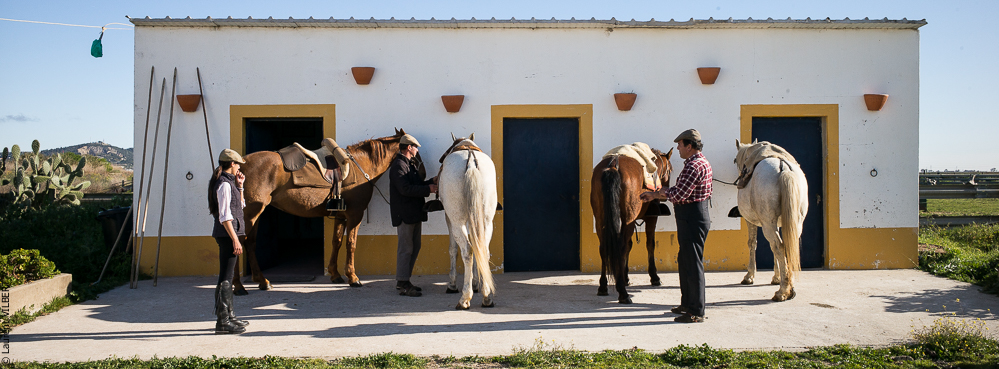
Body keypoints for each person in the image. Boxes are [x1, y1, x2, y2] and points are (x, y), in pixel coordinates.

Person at [640, 129, 713, 323]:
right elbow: (679, 191)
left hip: (692, 217)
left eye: (680, 145)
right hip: (692, 216)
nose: (678, 148)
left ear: (690, 146)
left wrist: (655, 194)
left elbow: (679, 195)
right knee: (685, 260)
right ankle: (687, 304)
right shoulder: (698, 163)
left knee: (693, 263)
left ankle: (696, 311)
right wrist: (661, 191)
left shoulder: (693, 166)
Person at [207, 148, 250, 334]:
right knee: (225, 277)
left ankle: (230, 316)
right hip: (227, 236)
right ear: (232, 164)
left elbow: (239, 206)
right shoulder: (223, 185)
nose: (240, 167)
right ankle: (223, 322)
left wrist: (240, 186)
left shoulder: (230, 183)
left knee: (228, 276)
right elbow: (225, 216)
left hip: (229, 235)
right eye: (238, 163)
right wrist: (235, 240)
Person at [389, 133, 437, 297]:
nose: (417, 150)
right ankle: (402, 283)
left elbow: (415, 185)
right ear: (409, 147)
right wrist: (428, 189)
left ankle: (405, 281)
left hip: (414, 214)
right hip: (405, 215)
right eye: (415, 147)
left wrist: (431, 182)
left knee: (414, 247)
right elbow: (405, 189)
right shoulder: (398, 166)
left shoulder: (409, 165)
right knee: (406, 248)